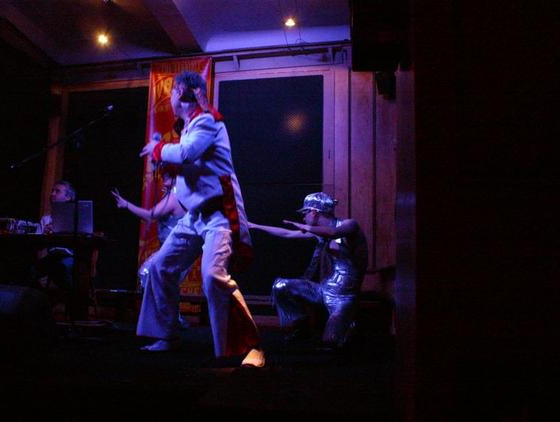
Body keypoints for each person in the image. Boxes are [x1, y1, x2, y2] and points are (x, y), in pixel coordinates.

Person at [138, 71, 264, 367]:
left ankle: (249, 346)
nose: (170, 97)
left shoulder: (207, 121)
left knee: (212, 276)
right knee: (159, 267)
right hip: (194, 216)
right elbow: (195, 165)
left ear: (182, 91)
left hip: (220, 214)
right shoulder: (191, 126)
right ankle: (166, 335)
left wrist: (157, 148)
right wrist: (170, 166)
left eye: (172, 91)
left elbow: (187, 153)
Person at [248, 192, 368, 349]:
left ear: (314, 212)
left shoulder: (350, 225)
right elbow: (287, 233)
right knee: (281, 286)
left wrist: (306, 227)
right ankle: (301, 325)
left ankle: (348, 325)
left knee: (330, 342)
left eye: (305, 213)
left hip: (343, 297)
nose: (303, 218)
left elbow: (334, 233)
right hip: (324, 289)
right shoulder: (320, 233)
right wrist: (254, 226)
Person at [111, 170, 190, 328]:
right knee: (164, 284)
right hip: (176, 252)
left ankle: (168, 320)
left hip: (174, 252)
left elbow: (149, 215)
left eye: (167, 174)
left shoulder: (174, 197)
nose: (163, 176)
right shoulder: (177, 195)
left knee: (147, 274)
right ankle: (170, 319)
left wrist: (126, 204)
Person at [34, 180, 77, 316]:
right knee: (31, 271)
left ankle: (71, 308)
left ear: (68, 197)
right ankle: (38, 308)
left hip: (70, 256)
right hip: (52, 256)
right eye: (52, 191)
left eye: (57, 191)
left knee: (62, 267)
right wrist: (45, 235)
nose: (52, 194)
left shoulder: (76, 218)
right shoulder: (46, 219)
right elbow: (37, 242)